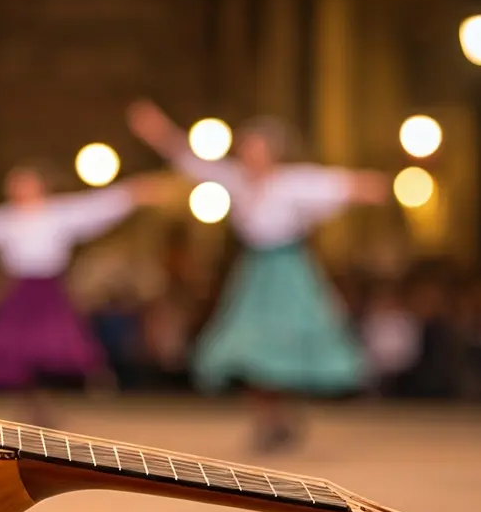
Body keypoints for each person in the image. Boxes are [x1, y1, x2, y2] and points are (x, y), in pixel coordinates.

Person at [128, 99, 389, 453]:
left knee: (288, 341)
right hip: (255, 270)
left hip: (289, 268)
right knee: (248, 342)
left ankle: (284, 414)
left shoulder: (293, 182)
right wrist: (158, 131)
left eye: (257, 148)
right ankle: (267, 418)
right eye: (246, 148)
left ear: (273, 152)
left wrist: (369, 186)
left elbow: (336, 184)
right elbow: (192, 161)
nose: (250, 155)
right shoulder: (235, 180)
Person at [0, 161, 168, 426]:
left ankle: (71, 390)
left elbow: (95, 208)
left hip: (48, 289)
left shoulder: (57, 213)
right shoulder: (7, 218)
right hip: (20, 291)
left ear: (39, 187)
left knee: (57, 343)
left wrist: (133, 193)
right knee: (14, 345)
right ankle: (31, 401)